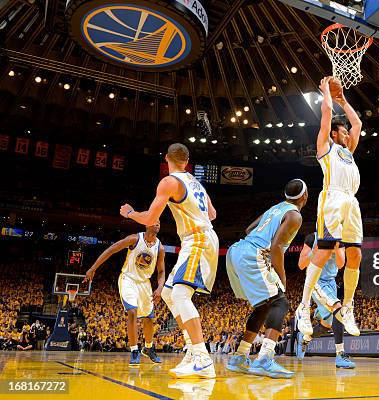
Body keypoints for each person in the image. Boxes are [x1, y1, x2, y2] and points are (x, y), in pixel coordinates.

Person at [120, 143, 219, 379]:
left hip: (197, 240)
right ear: (188, 161)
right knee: (167, 292)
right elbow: (213, 214)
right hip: (199, 238)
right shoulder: (196, 183)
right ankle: (192, 350)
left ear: (166, 158)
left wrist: (130, 213)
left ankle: (202, 358)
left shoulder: (169, 181)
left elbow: (150, 218)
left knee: (180, 295)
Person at [296, 76, 363, 338]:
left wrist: (343, 101)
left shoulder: (349, 151)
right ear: (334, 134)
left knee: (355, 255)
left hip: (351, 201)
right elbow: (325, 114)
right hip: (332, 199)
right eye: (343, 132)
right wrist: (325, 92)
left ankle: (347, 307)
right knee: (323, 252)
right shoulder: (326, 147)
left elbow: (357, 122)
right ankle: (303, 307)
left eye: (347, 133)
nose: (348, 134)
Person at [225, 179, 307, 378]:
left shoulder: (276, 208)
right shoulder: (294, 216)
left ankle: (239, 356)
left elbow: (249, 229)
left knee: (263, 306)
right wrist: (282, 277)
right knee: (281, 303)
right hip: (254, 254)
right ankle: (264, 359)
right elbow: (277, 247)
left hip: (236, 250)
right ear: (305, 196)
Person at [84, 221, 164, 366]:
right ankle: (134, 350)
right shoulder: (134, 239)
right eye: (154, 222)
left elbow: (162, 271)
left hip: (145, 283)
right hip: (128, 279)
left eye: (159, 222)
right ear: (147, 225)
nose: (157, 224)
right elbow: (112, 249)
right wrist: (93, 267)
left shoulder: (160, 247)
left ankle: (148, 348)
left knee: (149, 319)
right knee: (132, 312)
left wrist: (160, 288)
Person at [296, 233, 355, 368]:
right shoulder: (311, 238)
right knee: (338, 309)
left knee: (325, 326)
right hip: (315, 280)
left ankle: (305, 338)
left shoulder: (339, 240)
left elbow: (340, 265)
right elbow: (301, 264)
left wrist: (335, 248)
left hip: (331, 282)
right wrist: (314, 252)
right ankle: (340, 355)